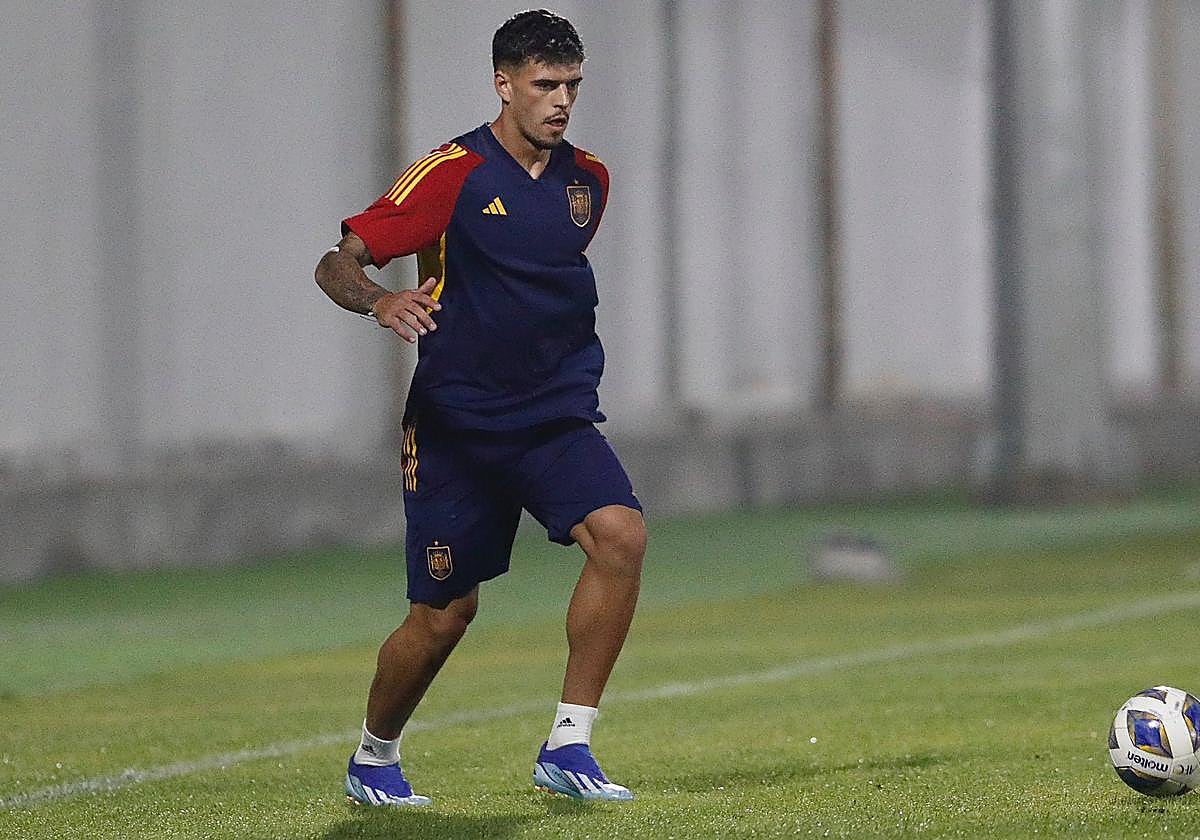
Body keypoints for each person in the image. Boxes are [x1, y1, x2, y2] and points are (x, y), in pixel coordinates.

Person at [313, 9, 645, 805]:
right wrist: (379, 301)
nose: (561, 101)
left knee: (620, 535)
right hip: (458, 428)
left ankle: (569, 745)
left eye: (571, 85)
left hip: (554, 416)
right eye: (544, 85)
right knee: (442, 617)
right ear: (504, 84)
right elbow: (337, 262)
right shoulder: (451, 173)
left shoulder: (587, 181)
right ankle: (373, 757)